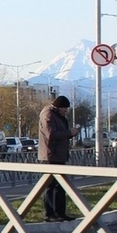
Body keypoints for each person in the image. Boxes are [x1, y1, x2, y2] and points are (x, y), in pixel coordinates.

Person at [38, 94, 77, 222]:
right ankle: (49, 214)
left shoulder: (56, 115)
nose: (65, 112)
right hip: (50, 156)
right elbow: (51, 134)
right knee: (50, 186)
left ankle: (60, 213)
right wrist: (69, 133)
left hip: (58, 155)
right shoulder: (48, 115)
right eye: (64, 110)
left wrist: (70, 134)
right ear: (59, 107)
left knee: (60, 186)